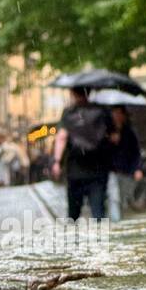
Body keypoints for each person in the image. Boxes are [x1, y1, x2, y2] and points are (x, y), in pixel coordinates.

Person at [52, 88, 111, 221]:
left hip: (75, 170)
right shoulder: (101, 111)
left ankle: (73, 239)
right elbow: (113, 136)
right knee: (98, 212)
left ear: (73, 93)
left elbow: (61, 137)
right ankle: (101, 238)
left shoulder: (68, 113)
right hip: (98, 168)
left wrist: (57, 162)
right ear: (89, 92)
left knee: (73, 215)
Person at [107, 106, 144, 222]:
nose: (116, 116)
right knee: (114, 198)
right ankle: (115, 221)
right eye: (114, 113)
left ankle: (119, 220)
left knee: (122, 199)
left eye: (119, 113)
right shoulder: (106, 131)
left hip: (126, 171)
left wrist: (137, 168)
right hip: (111, 171)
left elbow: (136, 152)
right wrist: (109, 140)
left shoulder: (129, 132)